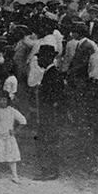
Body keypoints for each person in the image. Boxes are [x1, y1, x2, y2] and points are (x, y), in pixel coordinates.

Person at [34, 45, 66, 181]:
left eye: (40, 57)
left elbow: (57, 98)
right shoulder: (50, 73)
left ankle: (50, 170)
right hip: (47, 113)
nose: (38, 60)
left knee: (48, 141)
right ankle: (49, 169)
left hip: (50, 114)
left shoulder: (53, 75)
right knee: (46, 140)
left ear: (48, 58)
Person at [0, 90, 27, 184]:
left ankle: (14, 175)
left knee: (11, 156)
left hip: (7, 137)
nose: (2, 102)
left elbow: (23, 121)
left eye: (4, 100)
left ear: (7, 100)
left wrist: (15, 131)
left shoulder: (12, 111)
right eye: (0, 100)